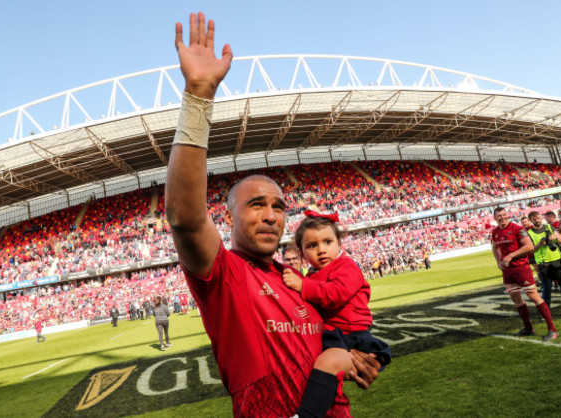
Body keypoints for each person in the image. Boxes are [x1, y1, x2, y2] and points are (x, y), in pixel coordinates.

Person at [165, 12, 379, 417]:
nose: (270, 215)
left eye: (278, 207)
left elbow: (324, 349)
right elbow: (184, 216)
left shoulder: (296, 280)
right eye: (256, 204)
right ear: (228, 218)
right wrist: (198, 97)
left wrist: (352, 358)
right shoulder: (224, 276)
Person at [282, 210, 391, 417]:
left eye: (328, 242)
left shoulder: (346, 266)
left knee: (328, 362)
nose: (321, 250)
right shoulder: (312, 275)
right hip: (334, 336)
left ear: (339, 243)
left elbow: (335, 294)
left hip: (352, 337)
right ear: (302, 253)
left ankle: (305, 415)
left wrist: (302, 285)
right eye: (312, 246)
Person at [490, 207, 558, 341]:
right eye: (499, 216)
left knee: (533, 296)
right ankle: (528, 328)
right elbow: (494, 247)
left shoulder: (517, 229)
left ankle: (552, 330)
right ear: (495, 218)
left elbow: (529, 246)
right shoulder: (495, 232)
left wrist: (510, 256)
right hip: (508, 271)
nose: (502, 217)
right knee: (516, 298)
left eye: (504, 215)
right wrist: (499, 262)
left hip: (521, 268)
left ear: (507, 215)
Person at [527, 211, 561, 317]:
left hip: (558, 261)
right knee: (547, 290)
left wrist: (555, 238)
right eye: (534, 219)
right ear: (530, 221)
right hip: (544, 264)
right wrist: (540, 243)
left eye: (538, 218)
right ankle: (547, 313)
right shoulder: (529, 233)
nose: (536, 220)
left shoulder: (550, 227)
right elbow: (531, 250)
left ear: (541, 217)